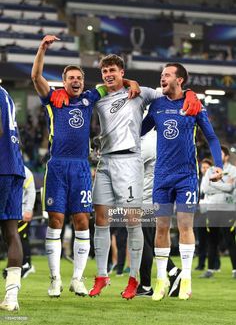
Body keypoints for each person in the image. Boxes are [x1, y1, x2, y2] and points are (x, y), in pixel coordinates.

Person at [50, 55, 202, 300]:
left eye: (113, 70)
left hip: (130, 161)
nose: (108, 75)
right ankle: (101, 276)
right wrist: (60, 93)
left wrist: (191, 94)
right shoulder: (98, 96)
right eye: (105, 71)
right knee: (101, 218)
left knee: (134, 221)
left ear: (122, 72)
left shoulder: (140, 93)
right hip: (105, 160)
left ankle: (135, 280)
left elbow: (171, 93)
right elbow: (78, 95)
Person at [31, 35, 139, 298]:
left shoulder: (92, 96)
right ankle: (55, 279)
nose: (76, 81)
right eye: (71, 78)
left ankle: (77, 279)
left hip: (81, 167)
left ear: (83, 81)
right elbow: (36, 78)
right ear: (64, 81)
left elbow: (113, 82)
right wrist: (42, 48)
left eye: (79, 77)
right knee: (56, 221)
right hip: (57, 167)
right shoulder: (53, 99)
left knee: (82, 221)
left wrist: (131, 81)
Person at [141, 62, 223, 301]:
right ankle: (161, 279)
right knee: (161, 228)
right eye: (161, 75)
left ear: (180, 80)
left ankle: (185, 277)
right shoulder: (156, 105)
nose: (162, 78)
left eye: (167, 75)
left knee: (185, 226)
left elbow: (212, 137)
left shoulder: (194, 105)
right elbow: (139, 130)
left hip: (186, 175)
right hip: (162, 176)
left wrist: (217, 164)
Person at [136, 128, 182, 298]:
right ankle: (173, 272)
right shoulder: (167, 141)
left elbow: (133, 169)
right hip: (163, 199)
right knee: (156, 242)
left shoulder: (148, 142)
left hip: (147, 199)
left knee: (146, 243)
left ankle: (147, 285)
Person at [0, 85, 25, 311]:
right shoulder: (5, 93)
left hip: (0, 167)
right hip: (15, 167)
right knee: (11, 232)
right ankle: (11, 297)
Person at [200, 145, 236, 279]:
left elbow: (231, 188)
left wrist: (213, 183)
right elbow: (205, 189)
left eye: (220, 154)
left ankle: (235, 271)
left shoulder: (233, 170)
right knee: (212, 240)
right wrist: (224, 186)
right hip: (213, 209)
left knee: (230, 240)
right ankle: (210, 270)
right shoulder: (209, 170)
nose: (217, 156)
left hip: (227, 209)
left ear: (226, 156)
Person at [19, 165, 36, 278]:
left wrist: (28, 210)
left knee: (21, 237)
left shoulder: (25, 171)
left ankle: (26, 264)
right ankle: (18, 264)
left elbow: (31, 191)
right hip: (10, 210)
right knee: (13, 238)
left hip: (22, 210)